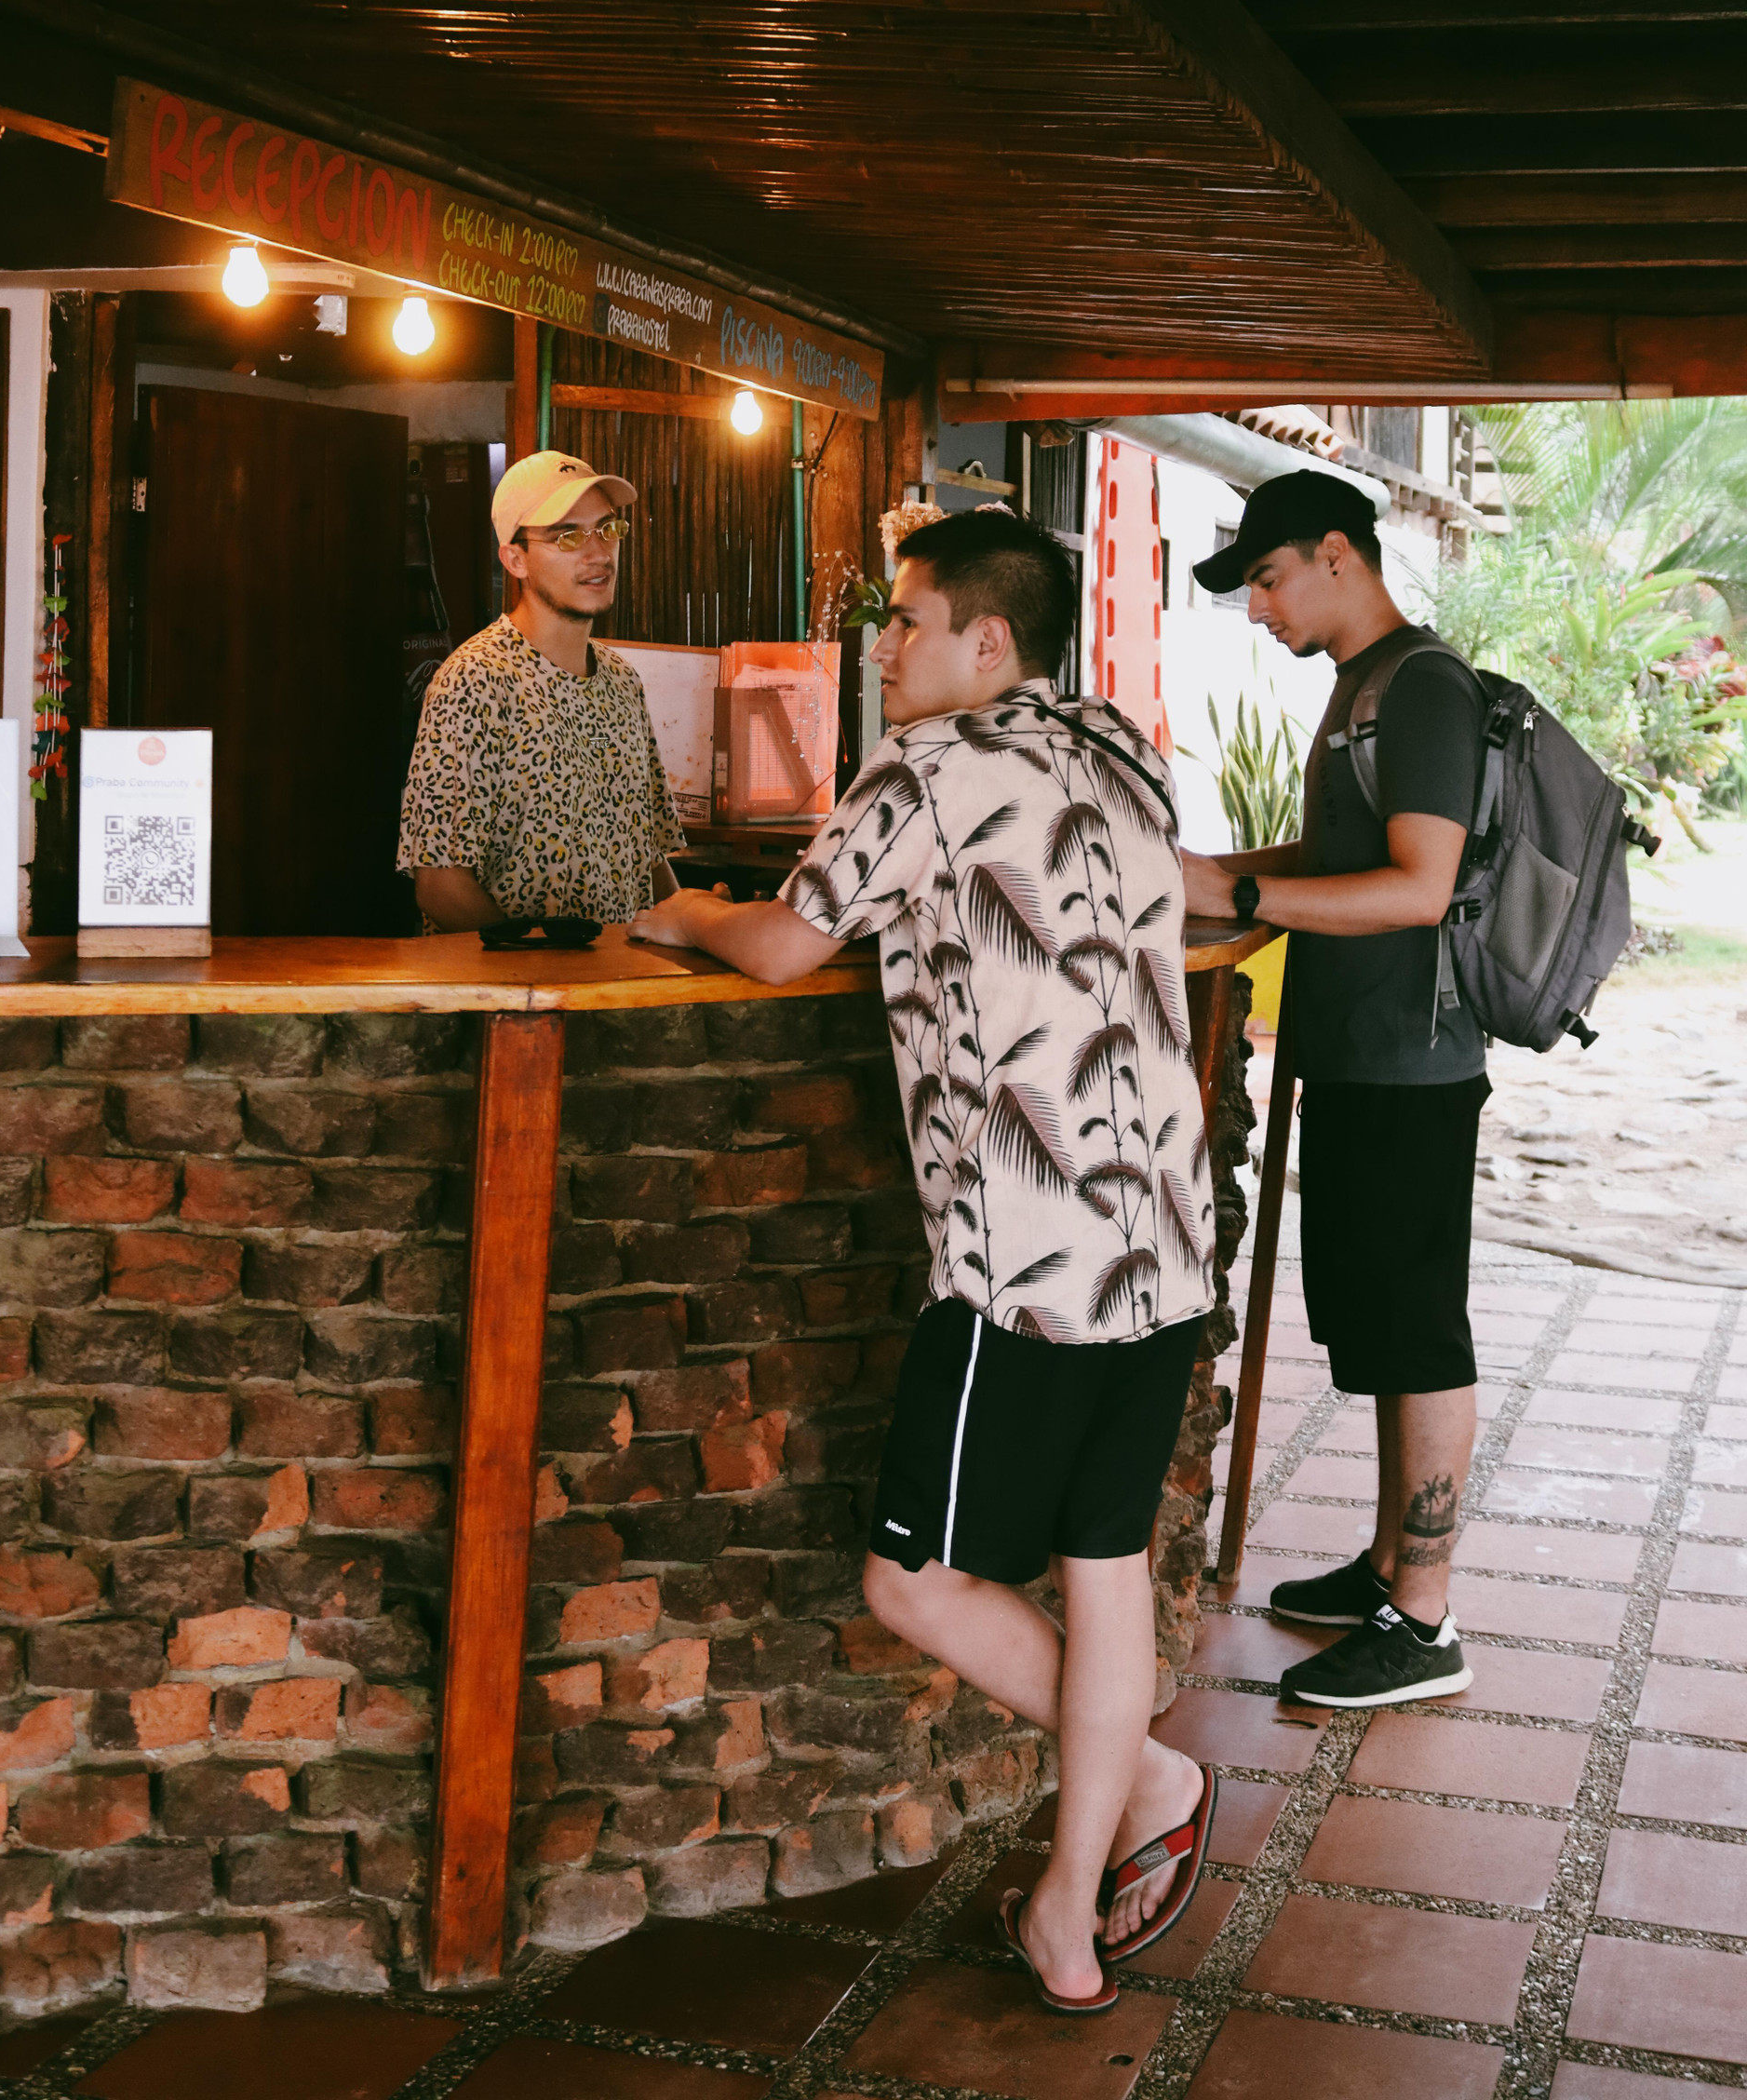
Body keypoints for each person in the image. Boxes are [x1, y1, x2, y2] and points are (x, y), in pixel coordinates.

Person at [629, 509, 1216, 2015]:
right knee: (1106, 1577)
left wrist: (672, 907)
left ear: (985, 641)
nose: (877, 645)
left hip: (1025, 1262)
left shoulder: (927, 769)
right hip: (1163, 1244)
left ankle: (1144, 1778)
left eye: (900, 620)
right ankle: (1072, 1915)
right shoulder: (1124, 743)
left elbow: (778, 948)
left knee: (912, 1582)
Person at [1184, 469, 1486, 1710]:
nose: (1261, 611)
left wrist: (1241, 899)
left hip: (1415, 1063)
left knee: (1419, 1334)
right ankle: (1384, 1568)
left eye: (1267, 579)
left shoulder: (1422, 688)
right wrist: (1214, 873)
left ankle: (1425, 1621)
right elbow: (1337, 857)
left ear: (1337, 555)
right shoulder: (1360, 689)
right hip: (1359, 1057)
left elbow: (1418, 885)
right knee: (1377, 1326)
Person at [398, 448, 683, 930]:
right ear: (515, 559)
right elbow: (441, 886)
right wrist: (537, 971)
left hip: (618, 990)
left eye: (608, 528)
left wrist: (698, 924)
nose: (598, 552)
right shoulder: (475, 681)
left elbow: (648, 857)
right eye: (567, 536)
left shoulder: (622, 681)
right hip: (511, 998)